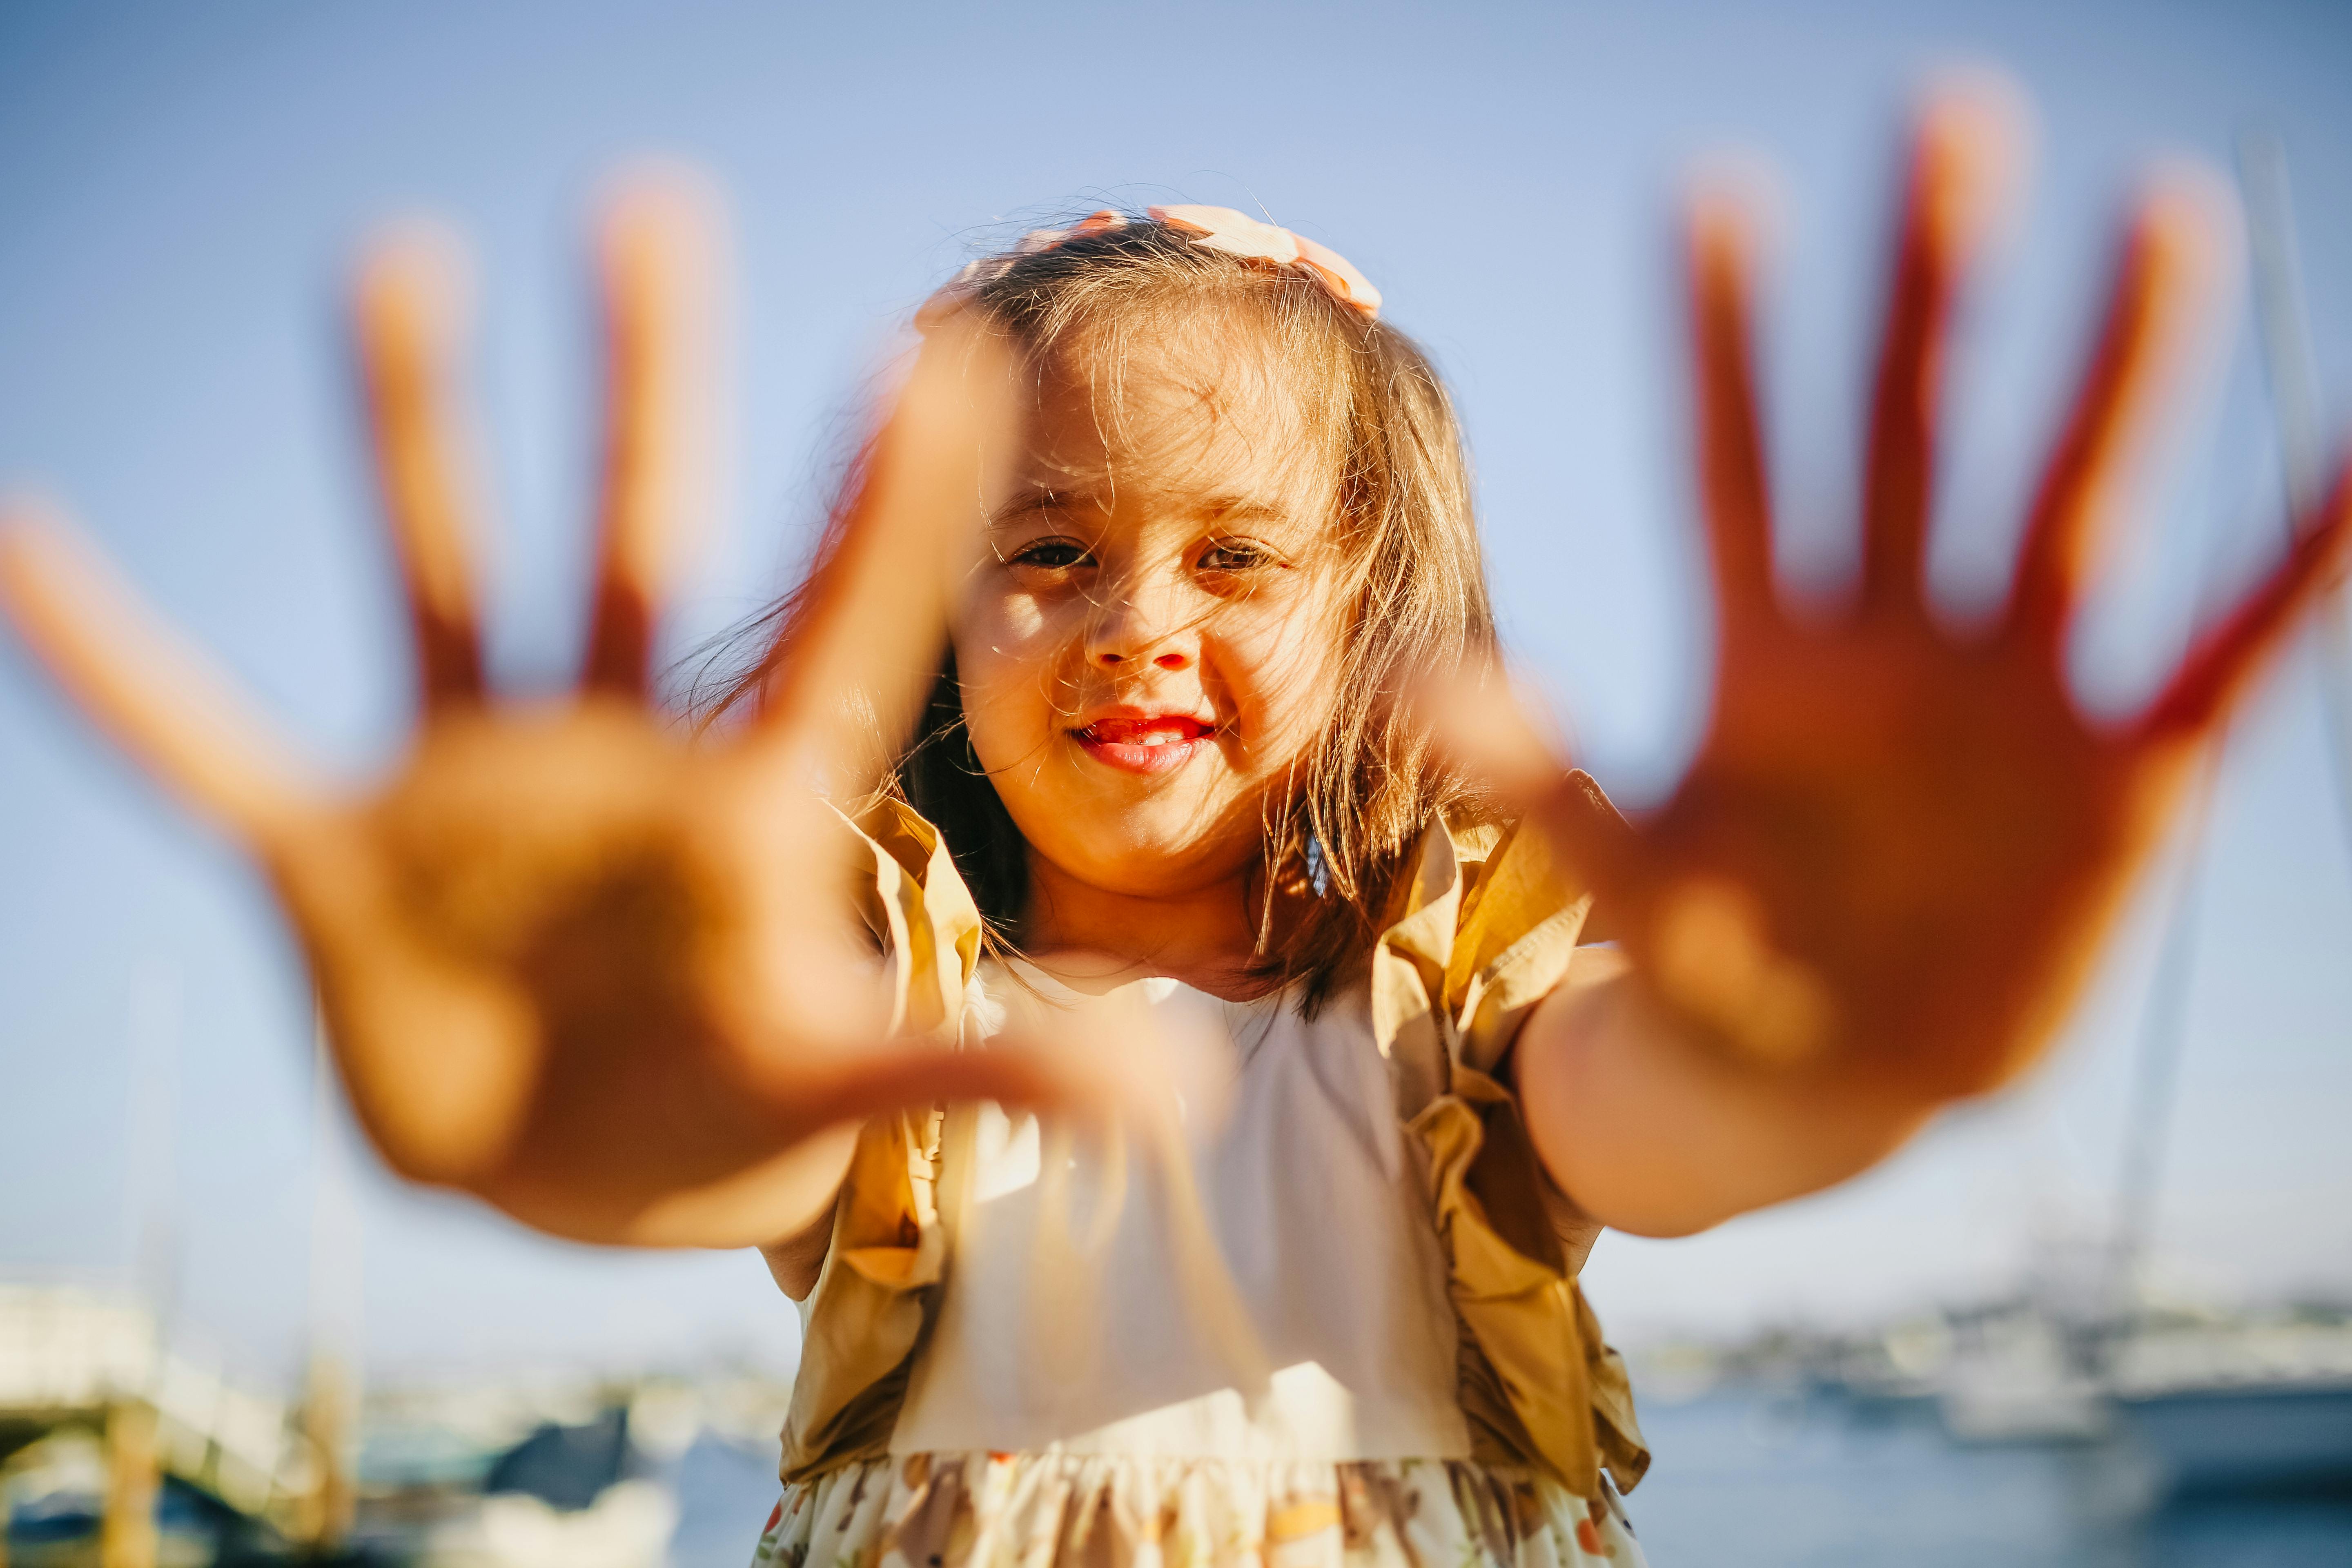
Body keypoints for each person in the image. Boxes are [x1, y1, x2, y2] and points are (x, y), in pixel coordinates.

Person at [2, 81, 2345, 1568]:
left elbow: (1660, 1109)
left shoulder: (1449, 983)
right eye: (1046, 554)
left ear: (1380, 610)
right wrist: (578, 1124)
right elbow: (735, 1129)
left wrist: (1831, 1051)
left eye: (1234, 558)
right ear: (932, 615)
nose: (1136, 621)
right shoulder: (887, 977)